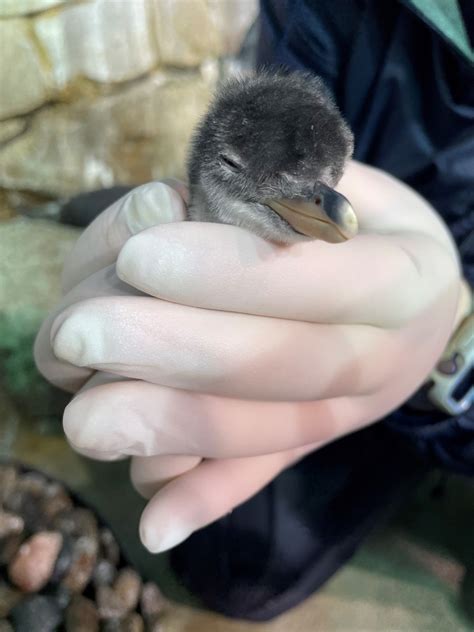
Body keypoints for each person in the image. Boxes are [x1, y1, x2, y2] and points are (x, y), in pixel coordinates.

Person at [35, 0, 473, 621]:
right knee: (236, 557)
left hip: (425, 369)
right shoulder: (335, 15)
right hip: (327, 333)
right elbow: (268, 135)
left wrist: (455, 343)